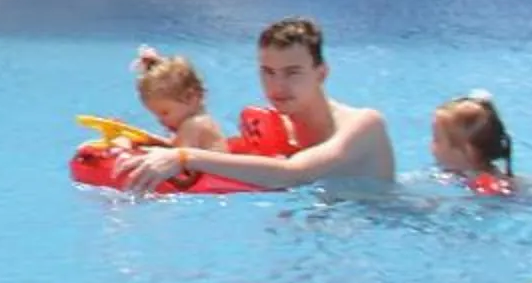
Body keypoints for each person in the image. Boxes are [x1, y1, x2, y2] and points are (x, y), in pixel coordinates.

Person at [125, 16, 395, 194]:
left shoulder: (364, 125)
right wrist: (152, 147)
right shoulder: (275, 127)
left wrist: (182, 157)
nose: (277, 86)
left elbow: (294, 174)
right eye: (268, 72)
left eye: (292, 72)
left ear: (321, 73)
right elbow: (223, 157)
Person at [131, 46, 227, 151]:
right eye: (157, 115)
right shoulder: (200, 122)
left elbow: (176, 159)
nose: (161, 121)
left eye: (165, 113)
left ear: (190, 97)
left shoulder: (194, 124)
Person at [431, 91, 517, 194]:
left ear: (468, 151)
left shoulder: (486, 187)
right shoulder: (503, 179)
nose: (431, 146)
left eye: (437, 140)